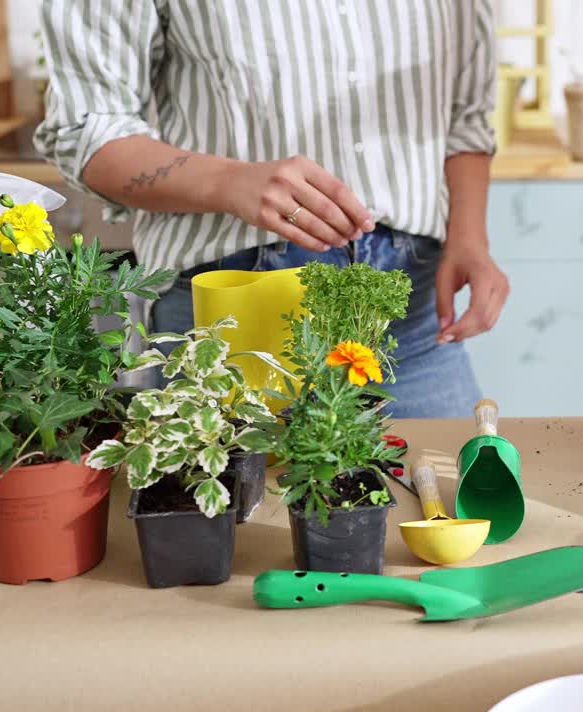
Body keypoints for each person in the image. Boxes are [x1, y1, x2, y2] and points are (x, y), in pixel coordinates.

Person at [35, 1, 508, 418]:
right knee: (236, 518)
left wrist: (470, 239)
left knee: (455, 509)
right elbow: (85, 131)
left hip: (412, 312)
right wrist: (230, 181)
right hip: (237, 311)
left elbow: (465, 120)